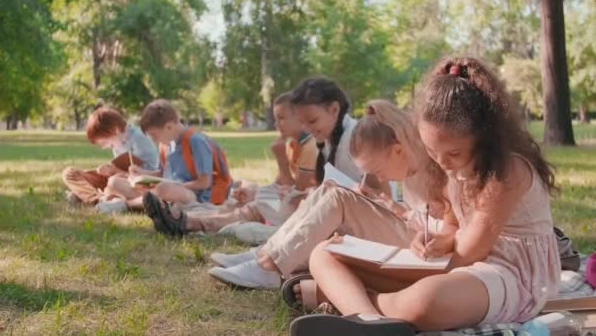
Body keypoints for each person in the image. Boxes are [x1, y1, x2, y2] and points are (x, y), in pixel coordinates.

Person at [297, 57, 561, 333]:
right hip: (459, 266)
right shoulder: (449, 165)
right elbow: (453, 226)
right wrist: (438, 240)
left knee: (426, 301)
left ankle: (352, 300)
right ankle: (369, 322)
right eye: (432, 152)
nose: (443, 163)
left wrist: (399, 271)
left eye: (454, 153)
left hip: (508, 273)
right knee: (323, 253)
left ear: (485, 136)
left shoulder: (508, 171)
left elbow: (470, 253)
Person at [207, 99, 433, 291]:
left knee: (339, 198)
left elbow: (434, 226)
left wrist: (395, 209)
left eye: (378, 170)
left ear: (398, 150)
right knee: (330, 188)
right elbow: (412, 211)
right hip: (407, 231)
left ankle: (271, 267)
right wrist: (381, 201)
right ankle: (266, 255)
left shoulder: (430, 171)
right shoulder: (410, 166)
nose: (381, 178)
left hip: (418, 245)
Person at [143, 91, 318, 236]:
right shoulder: (291, 143)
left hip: (303, 206)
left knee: (254, 207)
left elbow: (297, 195)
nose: (276, 124)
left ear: (300, 117)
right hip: (288, 199)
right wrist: (256, 191)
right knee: (246, 199)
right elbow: (281, 182)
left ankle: (188, 223)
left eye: (282, 118)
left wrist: (280, 159)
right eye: (275, 118)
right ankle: (183, 217)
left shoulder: (310, 147)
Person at [101, 99, 232, 214]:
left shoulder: (195, 141)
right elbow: (162, 173)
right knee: (115, 181)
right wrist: (142, 173)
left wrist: (172, 186)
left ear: (169, 127)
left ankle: (127, 204)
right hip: (166, 190)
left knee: (163, 189)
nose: (154, 140)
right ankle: (148, 202)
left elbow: (204, 183)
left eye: (154, 135)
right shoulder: (166, 144)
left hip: (196, 195)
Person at [62, 106, 159, 208]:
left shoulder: (139, 138)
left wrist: (114, 171)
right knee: (69, 173)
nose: (104, 147)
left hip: (133, 183)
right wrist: (108, 170)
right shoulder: (118, 139)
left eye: (104, 142)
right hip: (115, 178)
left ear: (115, 130)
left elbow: (146, 178)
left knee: (113, 182)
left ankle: (87, 195)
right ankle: (98, 198)